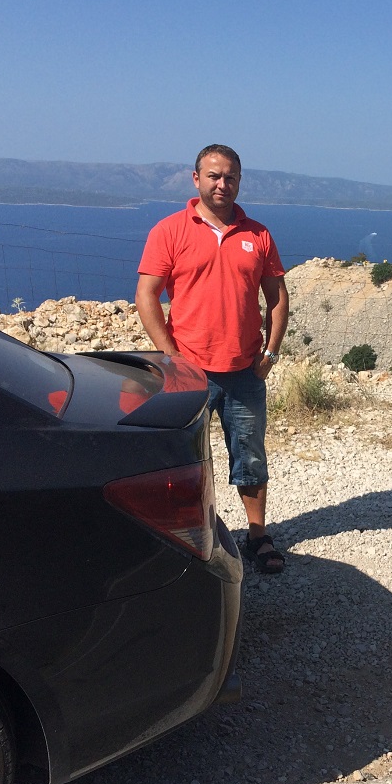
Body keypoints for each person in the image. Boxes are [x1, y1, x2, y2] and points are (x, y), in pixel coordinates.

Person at [136, 144, 289, 573]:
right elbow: (147, 295)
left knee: (250, 456)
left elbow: (277, 297)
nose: (223, 184)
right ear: (196, 179)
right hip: (189, 372)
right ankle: (187, 539)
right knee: (184, 461)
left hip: (244, 371)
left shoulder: (258, 234)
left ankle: (257, 536)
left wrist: (271, 351)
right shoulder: (169, 230)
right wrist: (171, 356)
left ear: (239, 181)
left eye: (230, 177)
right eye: (214, 176)